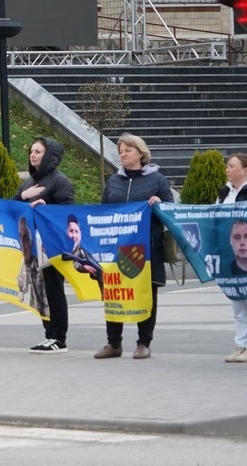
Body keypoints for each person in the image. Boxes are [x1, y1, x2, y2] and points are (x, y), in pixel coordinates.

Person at [94, 133, 173, 360]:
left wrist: (160, 204)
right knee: (114, 292)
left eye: (128, 150)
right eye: (120, 150)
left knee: (146, 293)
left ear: (140, 152)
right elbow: (103, 212)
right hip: (117, 249)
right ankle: (114, 343)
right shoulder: (113, 181)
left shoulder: (157, 180)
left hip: (147, 249)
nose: (123, 154)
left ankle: (143, 342)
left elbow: (171, 209)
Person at [13, 136, 75, 353]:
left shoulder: (60, 182)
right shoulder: (29, 183)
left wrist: (46, 206)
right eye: (32, 151)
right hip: (32, 248)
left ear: (49, 155)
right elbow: (12, 207)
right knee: (40, 291)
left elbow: (67, 212)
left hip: (52, 246)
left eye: (38, 152)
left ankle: (59, 337)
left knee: (53, 290)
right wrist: (23, 196)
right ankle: (49, 334)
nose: (32, 154)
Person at [218, 153, 247, 363]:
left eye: (231, 166)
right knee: (237, 301)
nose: (227, 169)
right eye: (227, 166)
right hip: (231, 254)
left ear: (245, 170)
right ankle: (241, 344)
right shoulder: (224, 193)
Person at [16, 216, 49, 317]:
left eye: (25, 238)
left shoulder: (43, 259)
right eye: (20, 236)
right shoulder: (25, 265)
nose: (22, 241)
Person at [62, 213, 102, 284]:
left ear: (80, 234)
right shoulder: (61, 246)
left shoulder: (83, 251)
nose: (74, 235)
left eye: (76, 231)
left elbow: (77, 262)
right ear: (66, 232)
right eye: (71, 231)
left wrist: (84, 267)